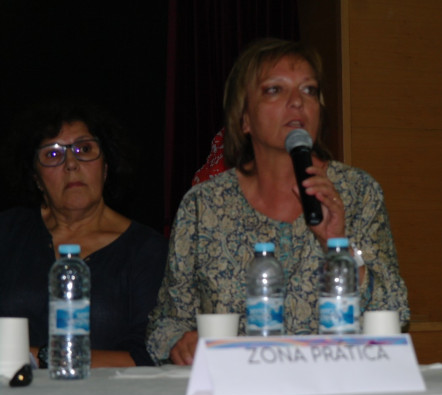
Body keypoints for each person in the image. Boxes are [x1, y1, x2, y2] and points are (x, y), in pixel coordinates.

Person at [146, 38, 409, 365]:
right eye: (274, 90)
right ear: (244, 118)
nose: (297, 102)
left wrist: (339, 246)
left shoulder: (358, 193)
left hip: (333, 381)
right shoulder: (203, 205)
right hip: (236, 386)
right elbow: (166, 323)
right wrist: (179, 341)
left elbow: (394, 311)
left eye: (309, 90)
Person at [0, 98, 168, 367]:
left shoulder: (146, 250)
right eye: (52, 154)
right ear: (36, 178)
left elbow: (148, 356)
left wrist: (42, 357)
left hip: (108, 393)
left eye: (84, 149)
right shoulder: (8, 232)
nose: (71, 164)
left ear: (106, 166)